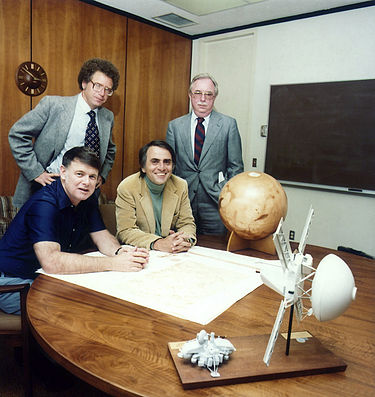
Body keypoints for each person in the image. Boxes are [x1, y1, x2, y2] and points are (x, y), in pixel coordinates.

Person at [0, 147, 149, 315]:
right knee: (83, 308)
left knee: (113, 295)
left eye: (92, 176)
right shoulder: (44, 204)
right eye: (79, 174)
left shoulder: (86, 197)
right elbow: (51, 262)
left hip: (46, 279)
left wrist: (120, 252)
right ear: (63, 172)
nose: (86, 182)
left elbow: (101, 235)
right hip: (14, 283)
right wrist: (113, 263)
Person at [9, 58, 120, 209]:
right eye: (98, 86)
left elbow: (110, 150)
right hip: (49, 186)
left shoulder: (107, 117)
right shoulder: (53, 105)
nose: (102, 93)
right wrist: (36, 172)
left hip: (85, 192)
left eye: (108, 89)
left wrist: (102, 175)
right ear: (84, 83)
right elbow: (18, 134)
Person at [166, 73, 244, 235]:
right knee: (182, 249)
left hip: (215, 202)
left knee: (215, 250)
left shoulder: (228, 125)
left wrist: (224, 192)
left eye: (208, 94)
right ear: (190, 95)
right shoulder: (175, 126)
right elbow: (169, 167)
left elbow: (236, 167)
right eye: (198, 93)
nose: (203, 99)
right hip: (183, 202)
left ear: (214, 97)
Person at [116, 140, 196, 253]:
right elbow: (125, 230)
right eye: (155, 162)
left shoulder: (180, 185)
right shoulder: (127, 187)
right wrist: (159, 243)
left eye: (167, 162)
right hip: (139, 250)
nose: (162, 167)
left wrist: (183, 239)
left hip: (172, 251)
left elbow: (187, 223)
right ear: (143, 167)